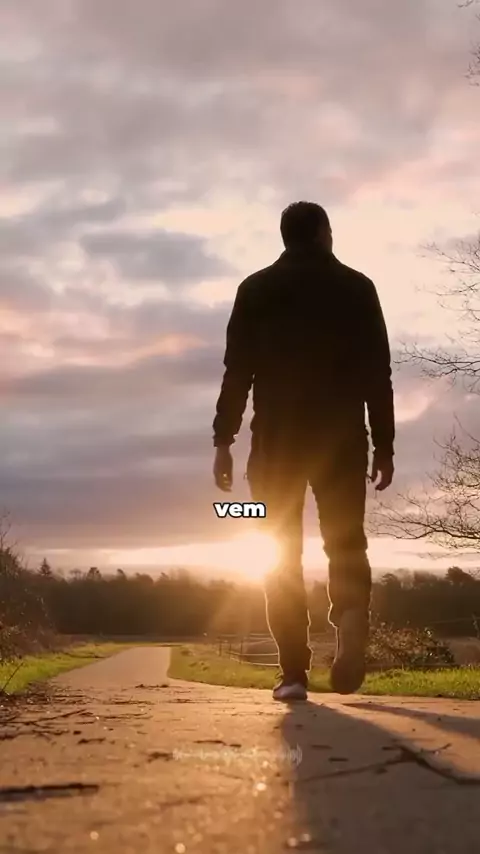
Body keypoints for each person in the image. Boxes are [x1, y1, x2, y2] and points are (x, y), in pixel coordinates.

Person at [212, 201, 395, 701]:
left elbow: (237, 372)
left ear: (285, 236)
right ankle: (351, 614)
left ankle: (293, 672)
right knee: (345, 542)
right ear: (321, 233)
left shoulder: (255, 289)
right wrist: (384, 445)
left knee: (278, 551)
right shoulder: (357, 287)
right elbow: (377, 374)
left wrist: (223, 441)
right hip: (341, 440)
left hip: (276, 443)